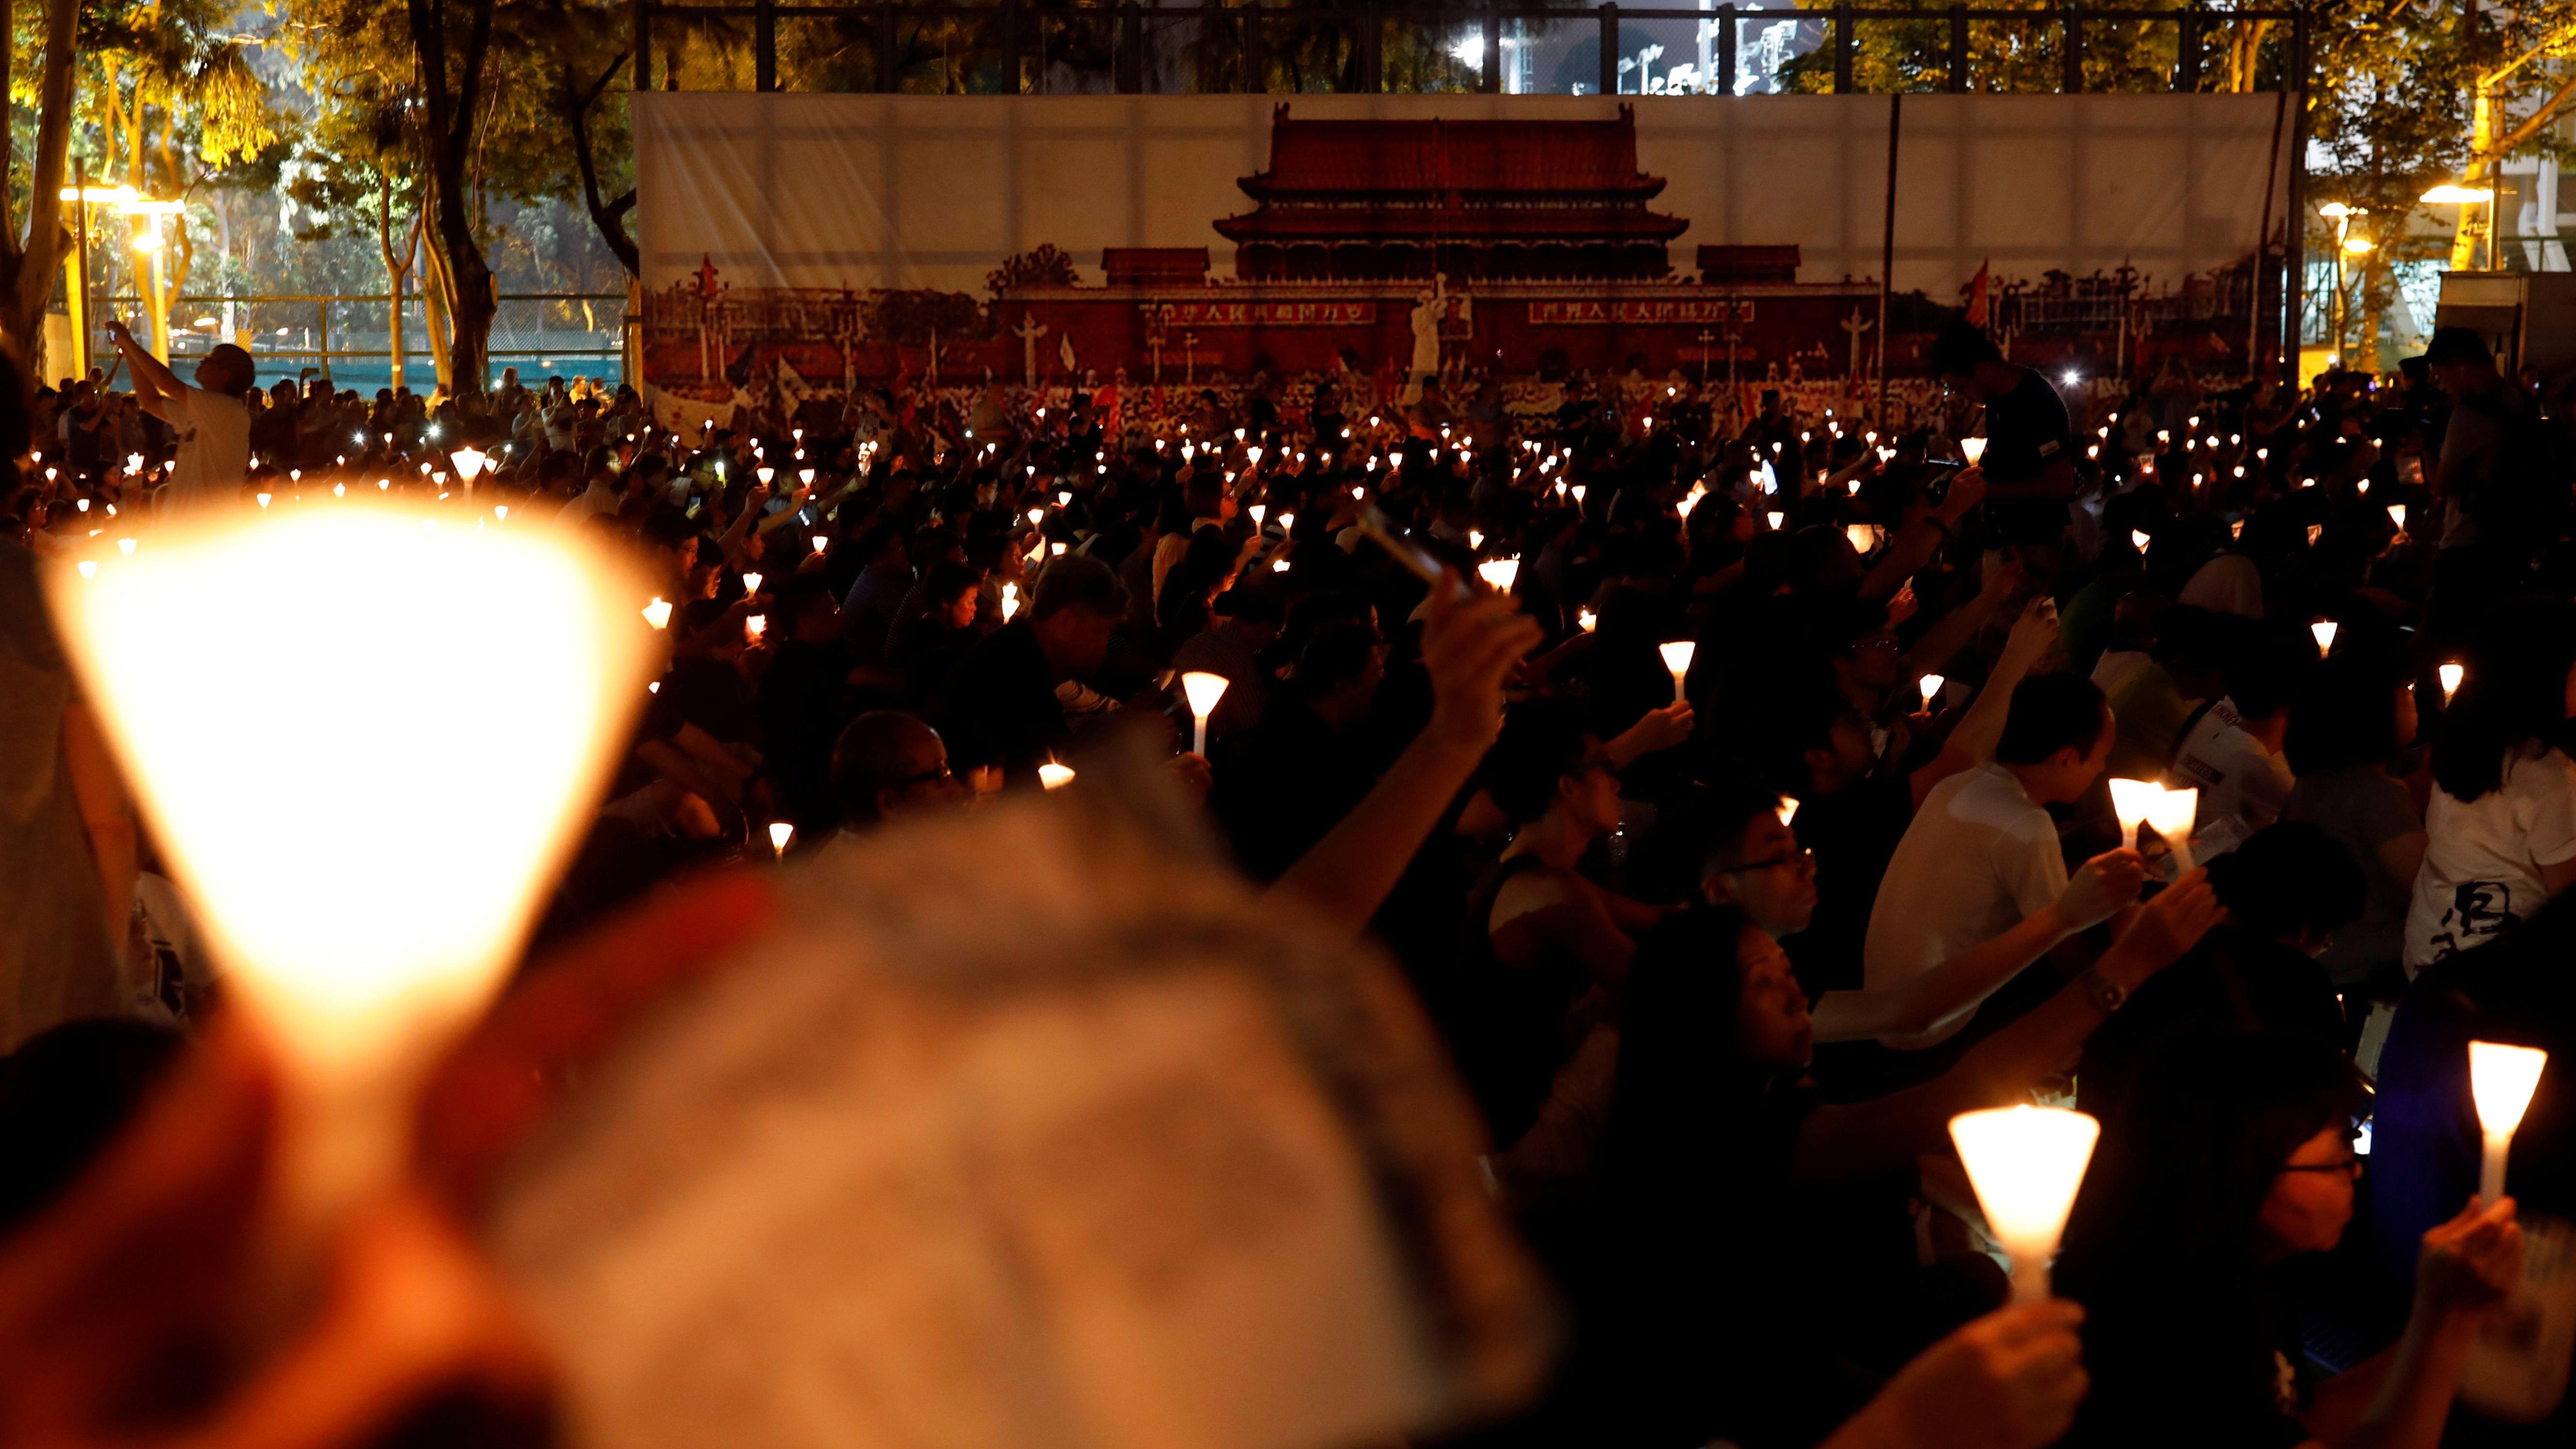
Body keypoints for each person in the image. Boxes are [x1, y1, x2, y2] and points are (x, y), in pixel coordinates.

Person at [2056, 1030, 2524, 1449]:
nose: (2355, 1170)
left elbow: (2297, 1417)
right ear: (2240, 1170)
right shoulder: (2172, 1331)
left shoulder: (2229, 1274)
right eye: (2338, 1152)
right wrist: (2449, 1325)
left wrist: (2448, 1319)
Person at [1862, 674, 2119, 1052]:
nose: (2100, 770)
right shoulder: (2028, 823)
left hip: (1877, 1008)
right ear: (2066, 758)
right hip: (1929, 1030)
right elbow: (2064, 952)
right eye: (2100, 758)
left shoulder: (1960, 783)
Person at [2404, 601, 2576, 973]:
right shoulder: (2545, 774)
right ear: (2544, 674)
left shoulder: (2454, 742)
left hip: (2430, 951)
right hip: (2501, 974)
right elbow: (2568, 901)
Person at [2280, 654, 2425, 988]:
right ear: (2370, 708)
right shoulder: (2375, 794)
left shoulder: (2312, 781)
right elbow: (2432, 884)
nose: (2411, 696)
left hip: (2320, 960)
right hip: (2372, 968)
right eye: (2403, 689)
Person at [938, 553, 1126, 784]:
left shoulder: (1018, 651)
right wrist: (1127, 731)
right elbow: (1061, 772)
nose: (1105, 644)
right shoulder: (1013, 677)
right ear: (1066, 621)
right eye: (1100, 631)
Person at [102, 320, 252, 514]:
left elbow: (167, 384)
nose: (203, 361)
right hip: (185, 524)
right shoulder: (203, 412)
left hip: (208, 527)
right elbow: (151, 401)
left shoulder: (228, 411)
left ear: (225, 374)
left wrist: (130, 343)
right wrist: (128, 351)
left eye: (210, 359)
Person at [828, 710, 968, 831]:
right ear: (890, 803)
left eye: (947, 770)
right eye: (941, 775)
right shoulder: (872, 862)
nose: (958, 789)